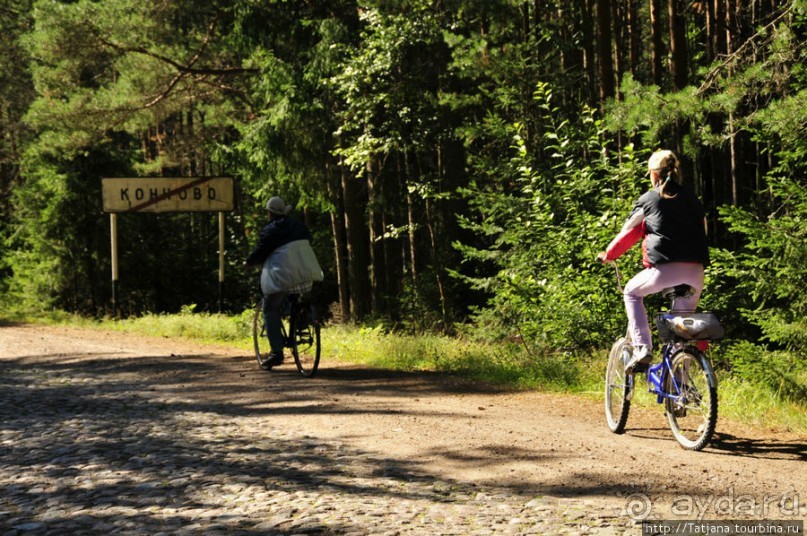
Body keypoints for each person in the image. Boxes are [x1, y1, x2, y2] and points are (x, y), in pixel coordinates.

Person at [597, 150, 709, 373]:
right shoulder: (693, 200)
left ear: (654, 175)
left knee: (631, 292)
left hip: (663, 270)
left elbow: (628, 233)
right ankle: (681, 386)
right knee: (680, 332)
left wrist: (609, 255)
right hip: (696, 272)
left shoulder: (648, 199)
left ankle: (642, 348)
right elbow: (703, 232)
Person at [246, 196, 323, 367]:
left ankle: (277, 352)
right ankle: (301, 321)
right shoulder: (299, 225)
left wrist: (249, 262)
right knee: (295, 296)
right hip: (306, 272)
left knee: (270, 309)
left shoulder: (270, 231)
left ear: (269, 213)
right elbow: (309, 240)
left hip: (283, 276)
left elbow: (260, 252)